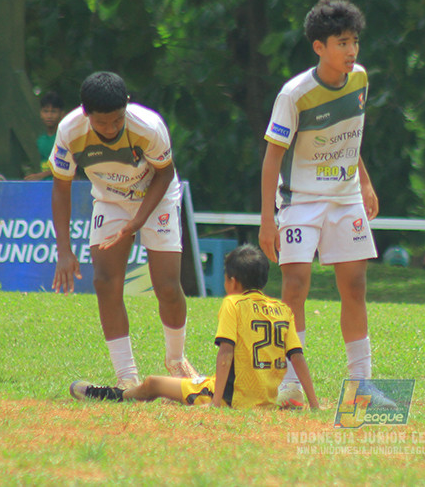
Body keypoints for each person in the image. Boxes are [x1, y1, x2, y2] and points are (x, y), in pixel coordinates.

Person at [258, 0, 393, 408]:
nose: (351, 51)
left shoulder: (360, 80)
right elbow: (272, 158)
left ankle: (362, 387)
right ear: (319, 47)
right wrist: (268, 219)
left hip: (346, 197)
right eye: (341, 43)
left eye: (354, 41)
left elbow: (351, 136)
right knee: (295, 287)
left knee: (354, 286)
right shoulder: (294, 95)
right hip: (301, 202)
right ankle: (291, 385)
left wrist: (365, 183)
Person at [49, 71, 199, 389]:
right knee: (105, 282)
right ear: (85, 113)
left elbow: (164, 173)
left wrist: (137, 221)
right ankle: (126, 376)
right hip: (110, 200)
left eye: (116, 121)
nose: (109, 129)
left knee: (168, 286)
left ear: (126, 108)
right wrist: (64, 250)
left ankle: (176, 360)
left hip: (155, 197)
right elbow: (61, 187)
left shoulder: (148, 127)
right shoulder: (69, 131)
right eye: (101, 123)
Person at [69, 244, 320, 410]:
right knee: (193, 383)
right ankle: (189, 393)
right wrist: (315, 405)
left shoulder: (233, 304)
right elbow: (298, 359)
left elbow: (225, 355)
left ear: (232, 281)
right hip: (265, 397)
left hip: (235, 398)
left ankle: (107, 395)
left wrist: (217, 403)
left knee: (152, 384)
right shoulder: (283, 310)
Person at [24, 91, 65, 181]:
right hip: (44, 186)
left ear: (61, 114)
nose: (49, 116)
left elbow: (64, 166)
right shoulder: (40, 140)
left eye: (53, 112)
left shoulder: (64, 139)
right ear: (41, 114)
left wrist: (40, 176)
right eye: (45, 111)